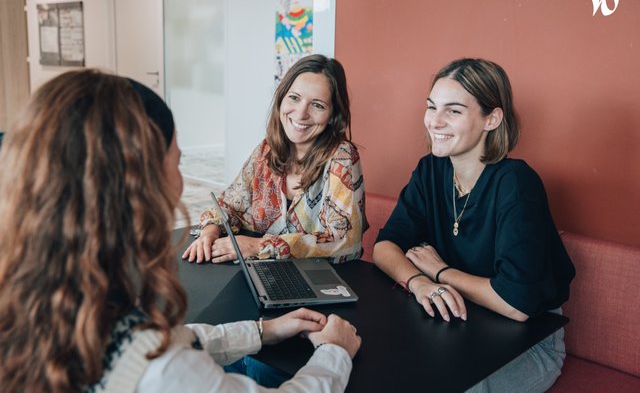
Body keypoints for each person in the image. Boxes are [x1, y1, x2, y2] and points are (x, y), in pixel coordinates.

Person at [0, 70, 361, 393]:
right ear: (141, 184)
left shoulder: (39, 296)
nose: (181, 178)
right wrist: (334, 352)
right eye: (177, 160)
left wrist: (263, 331)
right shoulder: (160, 368)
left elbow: (161, 341)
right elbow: (162, 356)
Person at [373, 58, 575, 392]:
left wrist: (439, 273)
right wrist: (417, 283)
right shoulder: (430, 171)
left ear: (492, 119)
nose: (434, 121)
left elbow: (517, 306)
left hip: (529, 343)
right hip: (458, 326)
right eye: (431, 107)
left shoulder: (516, 183)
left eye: (453, 111)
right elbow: (384, 246)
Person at [183, 54, 366, 265]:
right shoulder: (266, 150)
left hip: (320, 280)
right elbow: (228, 206)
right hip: (264, 271)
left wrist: (257, 246)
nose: (301, 113)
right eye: (294, 98)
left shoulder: (342, 157)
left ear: (334, 115)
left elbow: (346, 241)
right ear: (281, 98)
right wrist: (209, 232)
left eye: (317, 105)